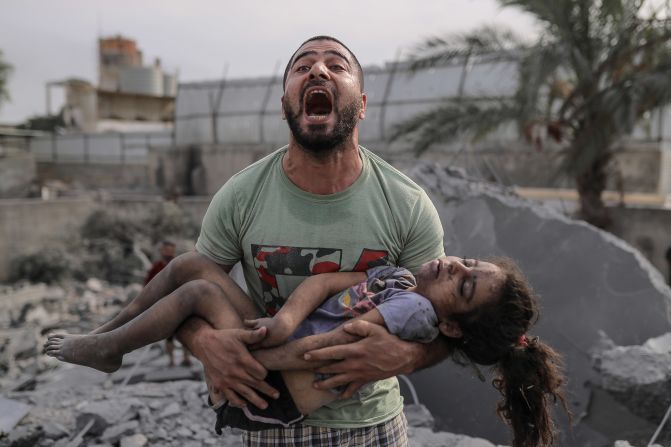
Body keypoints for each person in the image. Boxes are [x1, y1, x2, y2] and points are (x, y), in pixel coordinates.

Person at [74, 35, 447, 446]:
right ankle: (107, 342)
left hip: (371, 427)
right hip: (268, 418)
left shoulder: (407, 204)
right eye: (302, 67)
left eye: (336, 66)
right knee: (188, 268)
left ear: (361, 104)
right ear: (285, 104)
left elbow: (444, 320)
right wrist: (204, 343)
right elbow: (186, 298)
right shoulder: (241, 195)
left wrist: (408, 357)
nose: (318, 70)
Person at [45, 256, 568, 447]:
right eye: (469, 262)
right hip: (281, 338)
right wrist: (284, 319)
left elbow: (332, 348)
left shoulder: (416, 315)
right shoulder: (403, 279)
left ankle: (112, 345)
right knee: (186, 265)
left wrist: (249, 357)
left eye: (466, 285)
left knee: (197, 293)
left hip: (272, 388)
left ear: (452, 325)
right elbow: (325, 285)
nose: (456, 267)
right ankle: (107, 338)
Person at [144, 240, 192, 367]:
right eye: (166, 250)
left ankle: (186, 358)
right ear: (162, 251)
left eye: (171, 250)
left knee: (185, 331)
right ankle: (171, 361)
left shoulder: (179, 264)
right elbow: (148, 287)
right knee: (169, 334)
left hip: (181, 303)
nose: (169, 252)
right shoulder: (156, 268)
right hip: (164, 305)